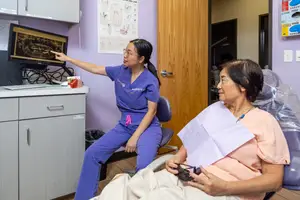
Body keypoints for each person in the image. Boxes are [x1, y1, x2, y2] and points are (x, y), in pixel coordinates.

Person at [95, 59, 290, 200]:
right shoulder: (215, 109)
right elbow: (192, 141)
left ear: (243, 85)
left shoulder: (265, 122)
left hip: (228, 189)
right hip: (188, 173)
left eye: (224, 80)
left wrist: (224, 187)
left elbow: (274, 180)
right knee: (127, 187)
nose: (217, 86)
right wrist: (177, 159)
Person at [51, 39, 163, 200]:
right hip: (125, 125)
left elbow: (152, 111)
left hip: (147, 127)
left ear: (141, 59)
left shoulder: (150, 80)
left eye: (129, 53)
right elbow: (95, 68)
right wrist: (68, 59)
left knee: (143, 167)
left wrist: (135, 137)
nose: (125, 55)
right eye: (125, 51)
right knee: (92, 154)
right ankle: (83, 197)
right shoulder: (120, 71)